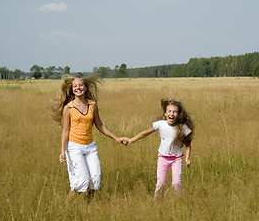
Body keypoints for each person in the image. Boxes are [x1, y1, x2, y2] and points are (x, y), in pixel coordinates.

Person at [51, 75, 127, 203]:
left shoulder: (92, 105)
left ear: (86, 88)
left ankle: (88, 206)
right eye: (75, 86)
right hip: (74, 147)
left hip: (90, 147)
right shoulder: (68, 108)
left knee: (95, 180)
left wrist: (116, 138)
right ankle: (64, 207)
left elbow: (100, 125)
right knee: (82, 180)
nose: (78, 88)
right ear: (72, 89)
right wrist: (62, 151)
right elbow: (65, 131)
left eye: (81, 85)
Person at [127, 99, 194, 198]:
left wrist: (187, 158)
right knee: (160, 184)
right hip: (163, 158)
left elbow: (188, 145)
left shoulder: (182, 128)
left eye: (175, 112)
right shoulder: (160, 124)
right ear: (165, 113)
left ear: (178, 114)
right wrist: (131, 140)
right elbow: (145, 133)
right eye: (169, 111)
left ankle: (181, 202)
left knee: (176, 184)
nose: (172, 114)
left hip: (177, 158)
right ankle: (157, 206)